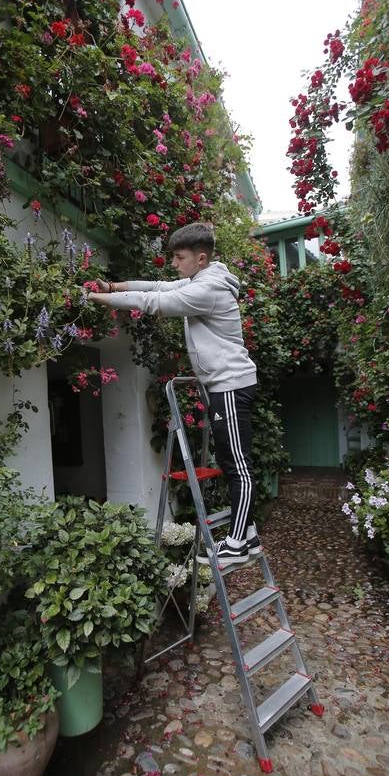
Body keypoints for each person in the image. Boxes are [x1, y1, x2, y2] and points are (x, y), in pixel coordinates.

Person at [87, 222, 261, 568]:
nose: (174, 264)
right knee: (231, 463)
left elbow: (154, 302)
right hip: (223, 384)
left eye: (179, 258)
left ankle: (239, 543)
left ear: (199, 258)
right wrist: (113, 286)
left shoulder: (207, 290)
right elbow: (158, 285)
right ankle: (249, 535)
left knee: (237, 466)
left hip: (229, 385)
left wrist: (97, 297)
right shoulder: (203, 278)